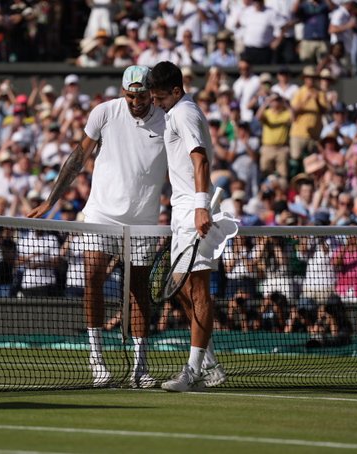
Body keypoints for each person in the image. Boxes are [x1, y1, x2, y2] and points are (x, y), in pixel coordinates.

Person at [28, 66, 167, 389]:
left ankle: (140, 367)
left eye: (142, 95)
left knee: (139, 290)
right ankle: (96, 358)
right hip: (102, 212)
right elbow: (78, 157)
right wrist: (51, 201)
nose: (136, 101)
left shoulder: (167, 119)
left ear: (151, 93)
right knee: (92, 276)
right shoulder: (104, 113)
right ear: (123, 92)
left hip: (144, 219)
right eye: (131, 95)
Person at [149, 61, 227, 392]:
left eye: (159, 95)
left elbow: (201, 160)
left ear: (176, 91)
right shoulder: (174, 112)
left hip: (194, 210)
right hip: (183, 210)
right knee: (181, 288)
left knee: (197, 288)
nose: (155, 102)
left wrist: (200, 207)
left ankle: (193, 371)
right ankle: (210, 366)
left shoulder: (183, 112)